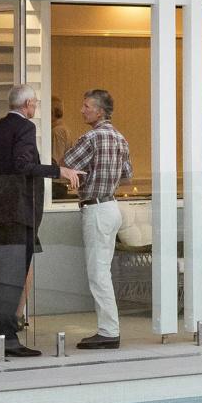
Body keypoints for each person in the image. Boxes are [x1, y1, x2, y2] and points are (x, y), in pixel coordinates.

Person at [0, 83, 71, 359]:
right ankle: (8, 340)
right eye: (36, 103)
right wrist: (58, 171)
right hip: (19, 212)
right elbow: (23, 165)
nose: (36, 108)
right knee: (12, 279)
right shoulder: (25, 128)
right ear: (27, 104)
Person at [57, 88, 130, 352]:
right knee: (102, 270)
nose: (82, 110)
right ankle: (108, 328)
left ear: (100, 111)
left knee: (98, 273)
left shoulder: (90, 138)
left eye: (87, 106)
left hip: (96, 207)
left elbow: (66, 163)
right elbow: (127, 174)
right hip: (112, 205)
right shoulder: (120, 138)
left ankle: (109, 330)